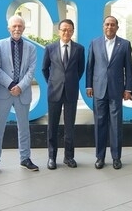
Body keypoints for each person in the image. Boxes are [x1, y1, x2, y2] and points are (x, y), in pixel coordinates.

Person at [0, 15, 39, 175]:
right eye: (14, 26)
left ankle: (25, 158)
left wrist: (20, 87)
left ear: (23, 28)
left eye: (20, 26)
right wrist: (10, 84)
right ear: (9, 28)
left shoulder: (31, 48)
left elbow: (31, 71)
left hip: (22, 93)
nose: (17, 29)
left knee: (24, 128)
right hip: (4, 92)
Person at [86, 15, 132, 170]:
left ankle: (116, 157)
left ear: (117, 27)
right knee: (99, 124)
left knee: (116, 125)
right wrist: (88, 86)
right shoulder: (95, 43)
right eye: (107, 24)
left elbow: (128, 68)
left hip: (116, 90)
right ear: (103, 26)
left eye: (113, 24)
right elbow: (90, 66)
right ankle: (100, 157)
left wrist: (128, 88)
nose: (109, 27)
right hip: (98, 89)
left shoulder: (125, 44)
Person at [42, 19, 85, 169]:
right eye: (63, 30)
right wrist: (53, 82)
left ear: (73, 31)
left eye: (69, 30)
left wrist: (70, 82)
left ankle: (69, 157)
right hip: (54, 92)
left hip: (71, 92)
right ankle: (51, 158)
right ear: (59, 31)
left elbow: (80, 70)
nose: (66, 32)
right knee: (52, 127)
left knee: (69, 127)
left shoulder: (79, 49)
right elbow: (44, 69)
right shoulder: (50, 48)